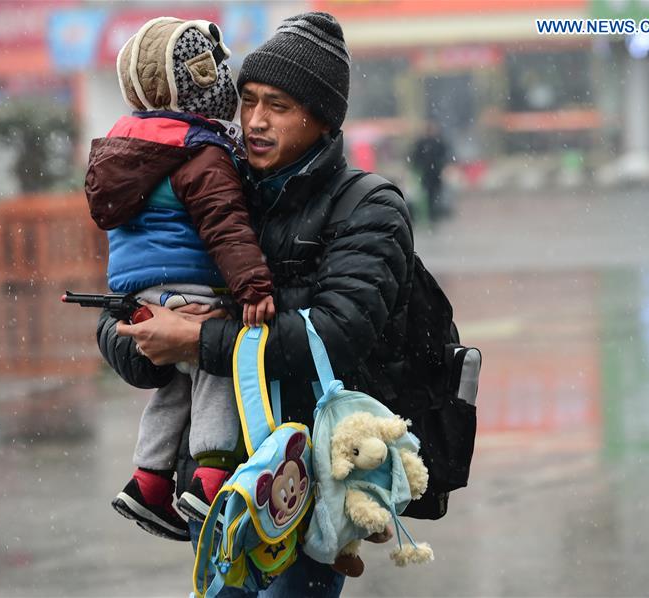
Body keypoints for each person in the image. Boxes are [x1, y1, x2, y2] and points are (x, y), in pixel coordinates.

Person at [98, 11, 414, 597]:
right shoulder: (213, 179)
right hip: (212, 491)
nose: (256, 122)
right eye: (247, 101)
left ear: (321, 120)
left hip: (300, 485)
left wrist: (198, 341)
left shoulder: (369, 208)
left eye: (279, 106)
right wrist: (146, 339)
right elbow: (119, 310)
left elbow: (338, 335)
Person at [85, 17, 275, 543]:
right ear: (200, 80)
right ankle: (211, 480)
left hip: (135, 294)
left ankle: (148, 481)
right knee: (215, 369)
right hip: (189, 288)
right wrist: (253, 287)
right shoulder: (199, 150)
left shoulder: (125, 145)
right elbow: (226, 227)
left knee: (174, 384)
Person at [409, 121, 452, 222]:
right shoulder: (425, 142)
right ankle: (431, 214)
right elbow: (415, 156)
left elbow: (444, 155)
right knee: (430, 194)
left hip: (434, 173)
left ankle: (433, 214)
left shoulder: (435, 142)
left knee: (434, 193)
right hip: (429, 173)